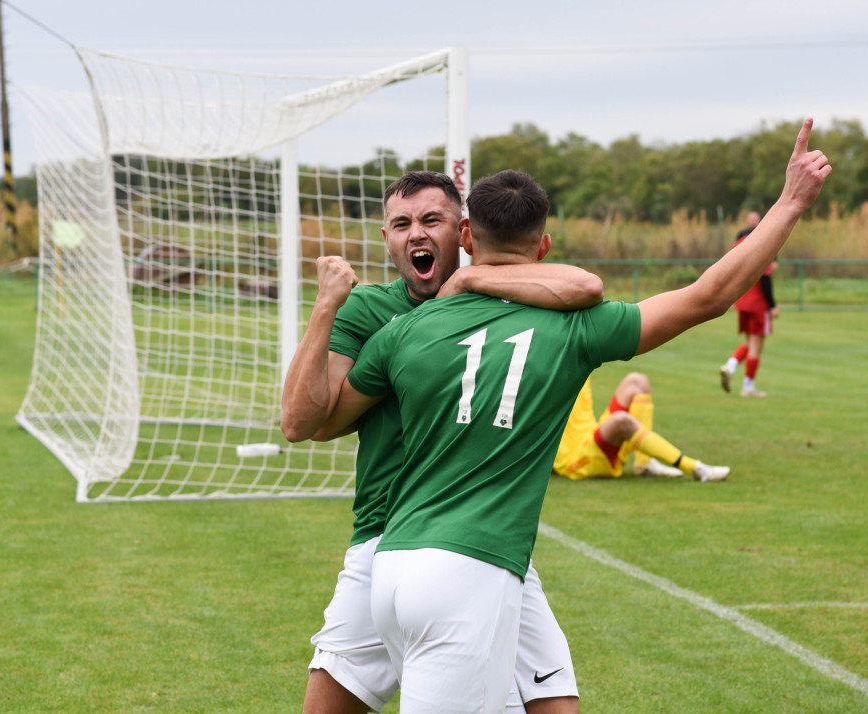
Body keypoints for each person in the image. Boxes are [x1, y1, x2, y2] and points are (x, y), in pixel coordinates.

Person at [315, 118, 830, 714]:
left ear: (466, 238)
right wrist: (790, 203)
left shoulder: (403, 330)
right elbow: (710, 294)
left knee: (553, 700)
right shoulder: (581, 327)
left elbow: (321, 420)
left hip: (394, 562)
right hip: (471, 569)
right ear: (545, 246)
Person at [281, 171, 601, 714]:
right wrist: (326, 306)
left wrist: (474, 283)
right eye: (401, 224)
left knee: (553, 701)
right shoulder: (370, 312)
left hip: (484, 543)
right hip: (385, 538)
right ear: (386, 238)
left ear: (465, 232)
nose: (416, 235)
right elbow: (303, 422)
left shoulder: (513, 298)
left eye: (432, 220)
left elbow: (585, 288)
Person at [553, 372, 730, 482]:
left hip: (591, 436)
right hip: (576, 460)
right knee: (621, 420)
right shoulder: (538, 369)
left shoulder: (574, 351)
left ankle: (644, 464)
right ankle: (696, 469)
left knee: (637, 381)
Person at [718, 211, 779, 397]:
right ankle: (748, 386)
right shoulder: (762, 245)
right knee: (757, 344)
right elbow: (766, 277)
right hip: (758, 303)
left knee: (750, 341)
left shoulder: (739, 244)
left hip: (742, 301)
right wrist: (772, 305)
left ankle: (731, 365)